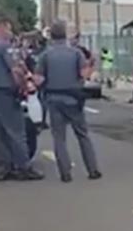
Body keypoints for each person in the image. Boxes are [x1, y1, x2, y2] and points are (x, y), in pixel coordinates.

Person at [0, 14, 43, 181]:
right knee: (16, 131)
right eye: (9, 28)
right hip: (3, 92)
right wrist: (23, 87)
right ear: (1, 28)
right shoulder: (4, 47)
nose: (10, 32)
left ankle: (3, 167)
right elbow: (16, 70)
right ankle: (23, 167)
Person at [34, 21, 102, 183]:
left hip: (53, 99)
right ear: (65, 35)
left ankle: (65, 173)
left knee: (59, 138)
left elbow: (38, 80)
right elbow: (84, 74)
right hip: (74, 99)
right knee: (83, 135)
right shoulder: (76, 53)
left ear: (51, 36)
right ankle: (92, 169)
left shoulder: (45, 55)